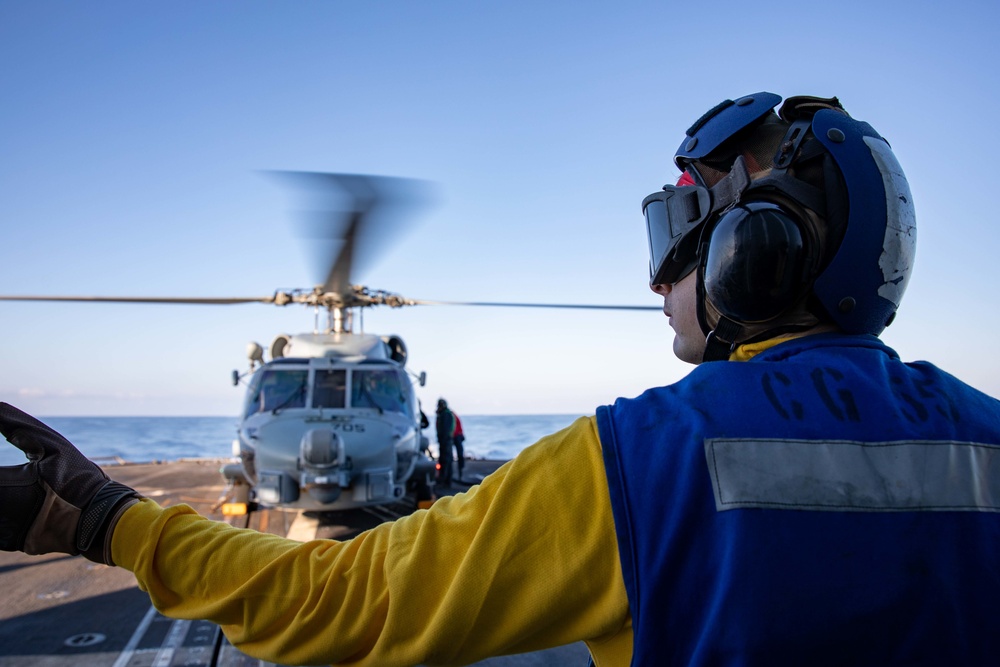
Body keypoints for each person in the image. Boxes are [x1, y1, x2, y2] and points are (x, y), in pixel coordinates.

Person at [2, 91, 999, 666]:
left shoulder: (636, 462)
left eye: (677, 230)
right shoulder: (984, 435)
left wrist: (105, 518)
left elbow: (342, 604)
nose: (658, 274)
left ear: (753, 248)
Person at [434, 397, 456, 486]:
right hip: (445, 441)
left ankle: (445, 480)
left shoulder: (445, 415)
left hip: (445, 441)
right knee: (446, 460)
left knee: (445, 460)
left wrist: (443, 440)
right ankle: (445, 479)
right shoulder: (444, 414)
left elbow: (445, 430)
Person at [452, 409, 466, 481]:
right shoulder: (451, 414)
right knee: (458, 455)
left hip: (456, 436)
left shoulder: (450, 414)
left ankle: (460, 473)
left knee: (459, 455)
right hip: (456, 436)